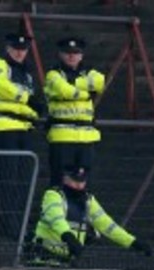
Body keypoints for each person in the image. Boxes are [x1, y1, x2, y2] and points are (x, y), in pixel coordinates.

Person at [0, 33, 42, 239]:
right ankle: (12, 229)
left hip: (23, 129)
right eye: (15, 48)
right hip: (3, 128)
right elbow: (0, 87)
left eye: (23, 49)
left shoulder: (26, 73)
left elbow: (25, 105)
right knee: (9, 181)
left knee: (23, 182)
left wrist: (37, 112)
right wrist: (28, 100)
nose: (19, 52)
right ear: (7, 48)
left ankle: (20, 227)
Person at [31, 166, 152, 266]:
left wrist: (133, 242)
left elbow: (107, 226)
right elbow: (56, 219)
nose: (79, 185)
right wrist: (68, 237)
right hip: (43, 258)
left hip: (67, 261)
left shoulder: (88, 200)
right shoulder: (53, 195)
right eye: (75, 181)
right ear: (65, 179)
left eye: (82, 181)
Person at [44, 36, 105, 187]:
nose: (72, 56)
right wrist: (86, 93)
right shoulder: (53, 74)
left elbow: (100, 82)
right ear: (60, 54)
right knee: (60, 183)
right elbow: (64, 91)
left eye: (75, 53)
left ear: (81, 55)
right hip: (62, 136)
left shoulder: (90, 72)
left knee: (85, 186)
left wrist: (73, 83)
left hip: (86, 138)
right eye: (67, 53)